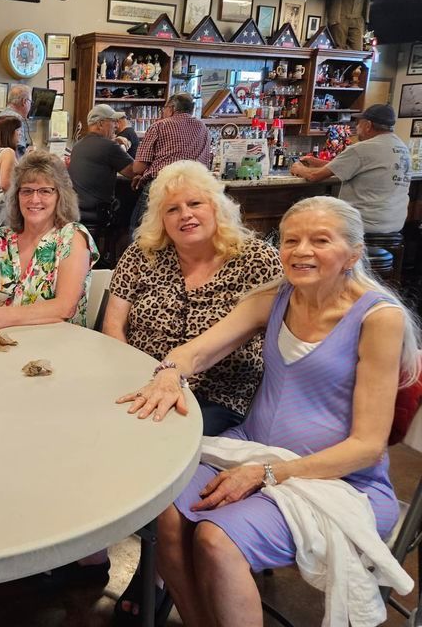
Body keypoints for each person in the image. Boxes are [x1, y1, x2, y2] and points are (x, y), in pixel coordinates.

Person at [119, 196, 420, 626]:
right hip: (252, 450)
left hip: (338, 478)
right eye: (291, 240)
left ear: (353, 252)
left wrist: (267, 474)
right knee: (164, 508)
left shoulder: (378, 318)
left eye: (320, 240)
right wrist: (170, 372)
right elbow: (197, 351)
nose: (301, 251)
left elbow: (367, 448)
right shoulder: (277, 297)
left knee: (215, 540)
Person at [105, 160, 282, 433]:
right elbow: (113, 326)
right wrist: (133, 376)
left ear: (216, 206)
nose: (185, 215)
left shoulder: (256, 259)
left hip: (219, 394)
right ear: (161, 220)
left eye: (195, 204)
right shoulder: (143, 253)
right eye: (172, 209)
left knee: (149, 436)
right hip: (141, 379)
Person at [0, 151, 98, 332]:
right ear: (16, 196)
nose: (34, 199)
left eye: (45, 191)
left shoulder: (72, 237)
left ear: (60, 195)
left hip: (58, 348)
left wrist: (1, 316)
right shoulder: (0, 238)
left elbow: (65, 307)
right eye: (26, 191)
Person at [290, 103, 410, 234]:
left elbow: (315, 176)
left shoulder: (362, 148)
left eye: (359, 123)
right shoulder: (402, 147)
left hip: (361, 224)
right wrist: (316, 161)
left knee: (308, 219)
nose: (356, 127)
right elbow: (353, 165)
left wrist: (299, 168)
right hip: (394, 224)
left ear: (368, 125)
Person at [129, 93, 211, 231]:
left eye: (165, 108)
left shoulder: (159, 126)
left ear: (172, 108)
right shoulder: (203, 128)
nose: (163, 111)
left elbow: (138, 167)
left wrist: (142, 174)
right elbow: (206, 162)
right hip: (194, 187)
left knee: (139, 228)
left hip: (162, 185)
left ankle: (137, 253)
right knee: (182, 228)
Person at [67, 104, 134, 232]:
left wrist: (114, 141)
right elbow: (134, 171)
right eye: (113, 121)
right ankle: (120, 249)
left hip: (76, 210)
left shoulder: (78, 146)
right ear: (101, 124)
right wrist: (122, 146)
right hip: (98, 213)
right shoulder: (109, 147)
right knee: (131, 214)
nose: (116, 126)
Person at [0, 84, 33, 155]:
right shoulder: (16, 119)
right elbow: (19, 153)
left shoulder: (1, 115)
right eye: (30, 102)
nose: (30, 106)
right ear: (24, 101)